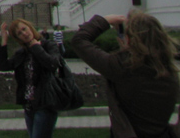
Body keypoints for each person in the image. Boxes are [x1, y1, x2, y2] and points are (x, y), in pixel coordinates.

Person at [71, 10, 179, 138]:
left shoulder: (121, 67)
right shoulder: (170, 72)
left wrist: (105, 21)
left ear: (129, 39)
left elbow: (79, 41)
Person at [0, 19, 62, 138]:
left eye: (24, 29)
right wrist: (4, 41)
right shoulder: (22, 53)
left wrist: (36, 47)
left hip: (45, 104)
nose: (24, 34)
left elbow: (52, 64)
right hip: (29, 106)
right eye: (19, 34)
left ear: (30, 27)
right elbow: (3, 66)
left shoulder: (48, 45)